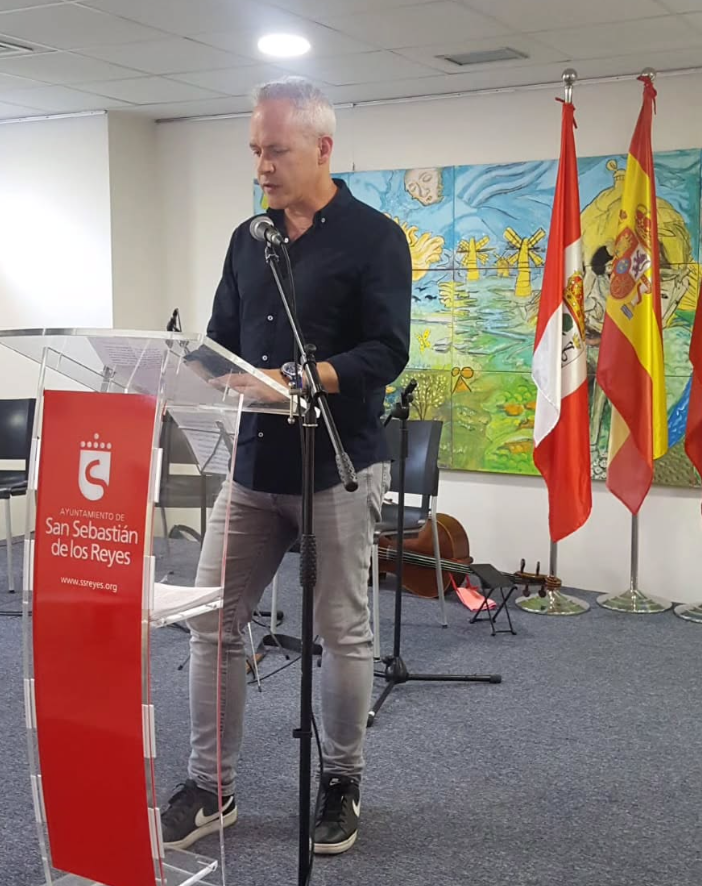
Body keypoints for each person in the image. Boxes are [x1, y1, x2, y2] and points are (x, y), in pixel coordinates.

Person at [160, 76, 412, 856]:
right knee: (212, 620)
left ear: (323, 147)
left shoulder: (376, 238)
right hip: (252, 467)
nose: (261, 166)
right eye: (255, 151)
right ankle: (213, 787)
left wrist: (301, 379)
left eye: (275, 150)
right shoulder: (249, 238)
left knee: (343, 631)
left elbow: (387, 351)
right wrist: (179, 368)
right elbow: (220, 340)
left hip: (336, 465)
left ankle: (341, 781)